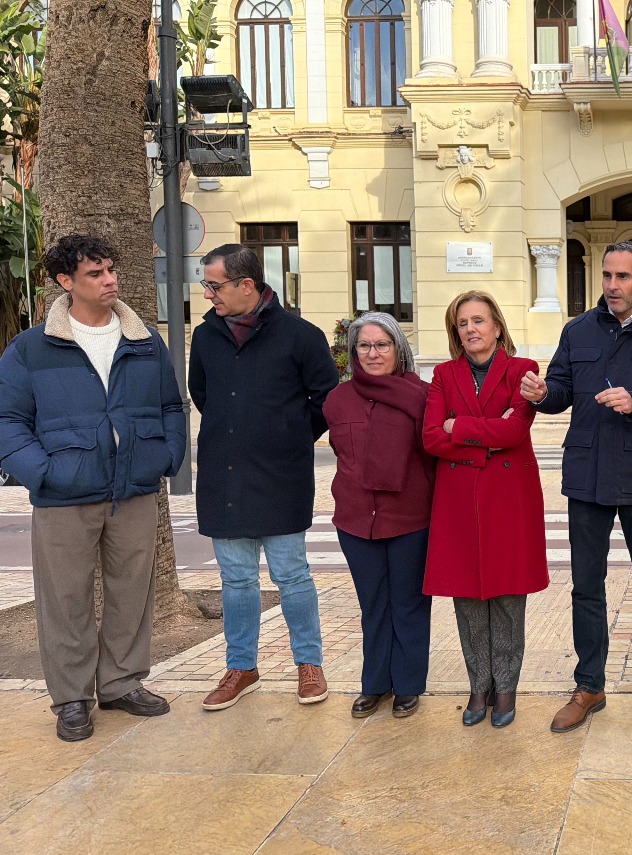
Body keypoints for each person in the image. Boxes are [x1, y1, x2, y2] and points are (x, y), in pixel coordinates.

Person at [0, 235, 185, 741]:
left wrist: (166, 455)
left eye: (111, 271)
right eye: (95, 274)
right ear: (66, 283)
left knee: (132, 593)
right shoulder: (32, 349)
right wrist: (45, 472)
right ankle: (73, 698)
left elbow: (172, 404)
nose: (109, 281)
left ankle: (122, 682)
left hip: (134, 489)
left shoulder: (144, 340)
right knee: (65, 599)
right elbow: (8, 420)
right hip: (64, 494)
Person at [520, 240, 632, 736]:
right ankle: (589, 686)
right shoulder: (577, 330)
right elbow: (558, 390)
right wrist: (542, 394)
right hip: (586, 476)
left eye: (622, 277)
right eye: (606, 276)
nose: (612, 286)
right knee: (585, 586)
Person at [189, 244, 340, 711]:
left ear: (246, 286)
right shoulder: (205, 336)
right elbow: (203, 393)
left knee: (292, 576)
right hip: (223, 476)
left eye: (214, 285)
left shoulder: (301, 335)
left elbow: (326, 401)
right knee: (235, 580)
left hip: (281, 476)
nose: (208, 294)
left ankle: (309, 665)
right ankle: (241, 667)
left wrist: (288, 438)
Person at [423, 291, 549, 728]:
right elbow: (431, 438)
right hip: (459, 499)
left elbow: (515, 429)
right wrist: (484, 437)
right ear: (455, 331)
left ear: (497, 325)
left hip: (509, 496)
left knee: (509, 593)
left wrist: (460, 428)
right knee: (468, 595)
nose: (472, 329)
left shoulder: (523, 370)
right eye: (463, 323)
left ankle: (507, 685)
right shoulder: (443, 374)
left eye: (479, 320)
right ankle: (479, 684)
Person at [323, 312, 434, 720]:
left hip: (410, 518)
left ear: (397, 349)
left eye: (381, 345)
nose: (372, 353)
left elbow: (433, 454)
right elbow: (339, 452)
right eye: (364, 346)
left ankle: (407, 685)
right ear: (354, 352)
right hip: (355, 519)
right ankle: (375, 684)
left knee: (408, 603)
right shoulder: (338, 399)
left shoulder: (422, 395)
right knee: (373, 604)